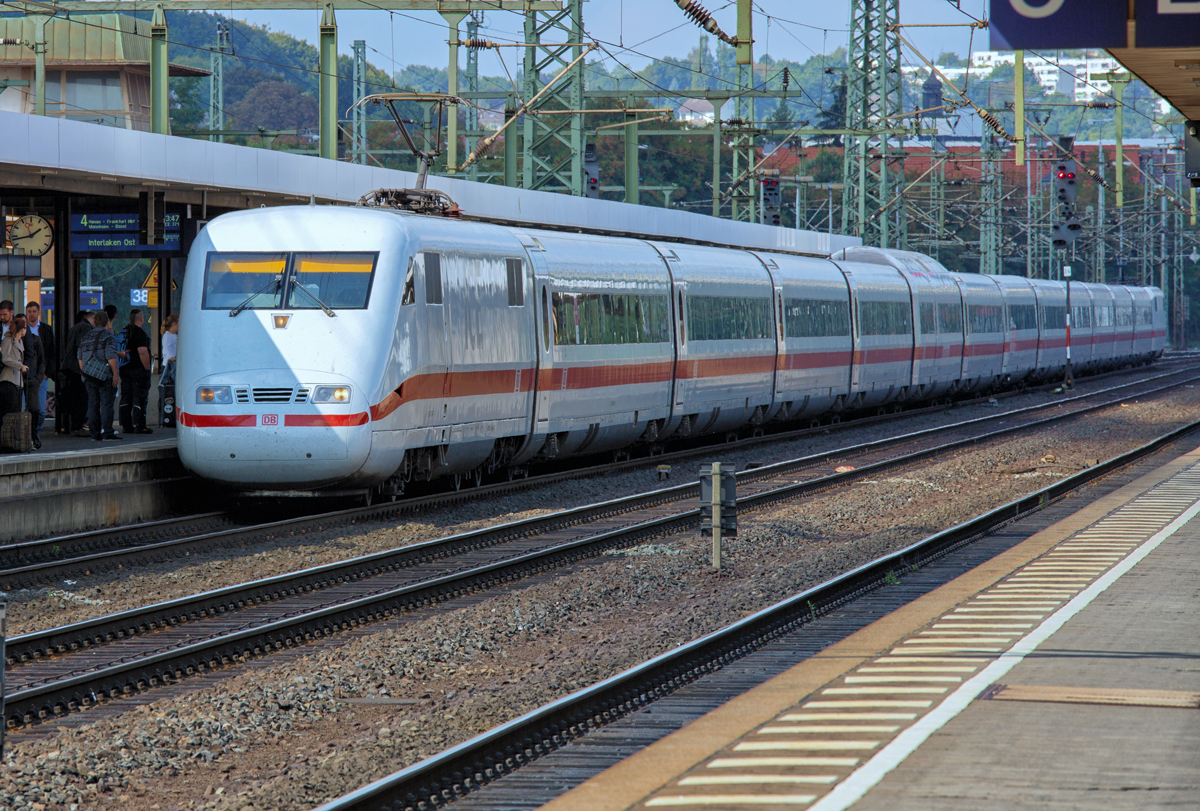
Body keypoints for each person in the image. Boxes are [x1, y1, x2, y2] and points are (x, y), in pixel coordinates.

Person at [79, 311, 120, 441]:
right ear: (107, 322)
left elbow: (80, 358)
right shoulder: (108, 336)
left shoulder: (86, 337)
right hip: (105, 376)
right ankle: (108, 432)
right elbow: (111, 356)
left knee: (93, 404)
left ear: (94, 322)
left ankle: (94, 434)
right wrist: (115, 375)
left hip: (88, 376)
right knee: (107, 404)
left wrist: (85, 373)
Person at [118, 309, 153, 435]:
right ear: (142, 319)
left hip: (124, 369)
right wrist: (147, 369)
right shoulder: (140, 333)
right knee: (140, 397)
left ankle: (126, 425)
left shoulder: (124, 332)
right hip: (138, 370)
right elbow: (142, 352)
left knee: (126, 397)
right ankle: (140, 425)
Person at [62, 310, 95, 436]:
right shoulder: (86, 327)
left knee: (74, 397)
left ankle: (73, 425)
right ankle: (77, 426)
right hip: (79, 368)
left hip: (70, 367)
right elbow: (83, 347)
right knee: (82, 397)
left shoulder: (74, 327)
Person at [25, 300, 54, 441]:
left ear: (38, 312)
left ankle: (35, 433)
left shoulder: (46, 330)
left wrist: (47, 373)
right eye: (29, 311)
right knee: (27, 408)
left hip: (41, 375)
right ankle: (28, 436)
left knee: (41, 410)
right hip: (25, 375)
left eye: (34, 311)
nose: (31, 314)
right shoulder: (22, 329)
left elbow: (51, 352)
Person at [17, 312, 44, 449]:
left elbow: (41, 360)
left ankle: (34, 435)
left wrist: (38, 377)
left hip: (31, 378)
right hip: (16, 379)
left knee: (35, 409)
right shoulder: (11, 340)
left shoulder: (35, 340)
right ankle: (20, 437)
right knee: (16, 409)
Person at [0, 315, 27, 423]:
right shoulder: (8, 340)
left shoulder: (19, 341)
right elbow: (5, 358)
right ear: (22, 329)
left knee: (16, 410)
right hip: (8, 379)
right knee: (8, 411)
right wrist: (20, 366)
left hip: (17, 381)